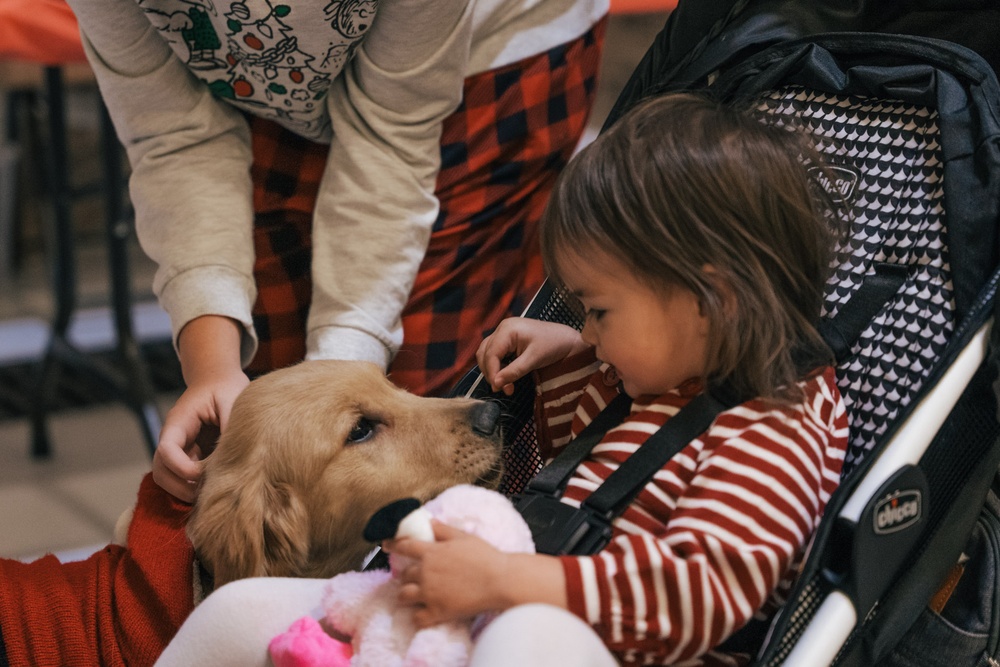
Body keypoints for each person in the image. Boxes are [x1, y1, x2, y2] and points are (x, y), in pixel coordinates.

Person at [152, 92, 849, 667]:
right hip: (493, 607)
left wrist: (509, 581)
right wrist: (571, 353)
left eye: (599, 310)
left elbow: (697, 591)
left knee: (529, 640)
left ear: (712, 301)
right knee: (237, 610)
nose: (594, 333)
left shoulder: (774, 428)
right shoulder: (651, 376)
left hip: (598, 642)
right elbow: (563, 456)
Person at [64, 0, 608, 503]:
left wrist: (345, 397)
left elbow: (389, 138)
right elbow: (175, 135)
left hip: (480, 62)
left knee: (422, 423)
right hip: (255, 83)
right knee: (278, 431)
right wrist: (212, 367)